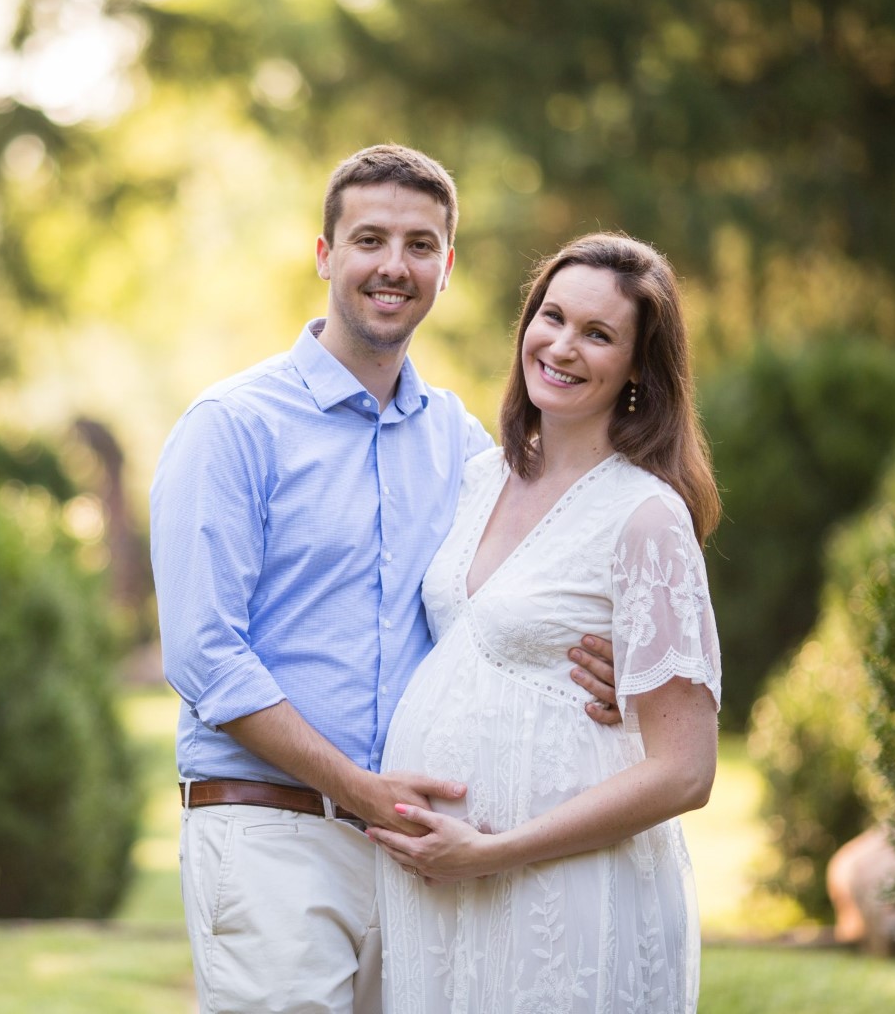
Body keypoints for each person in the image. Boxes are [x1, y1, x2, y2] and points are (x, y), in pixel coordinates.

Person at [150, 145, 624, 1014]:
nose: (393, 266)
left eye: (419, 244)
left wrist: (606, 664)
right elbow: (206, 655)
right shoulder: (234, 428)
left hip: (415, 852)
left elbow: (503, 614)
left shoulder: (463, 446)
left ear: (448, 266)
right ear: (325, 254)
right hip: (269, 834)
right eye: (369, 239)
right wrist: (358, 787)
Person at [369, 232, 723, 1013]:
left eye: (599, 334)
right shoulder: (479, 477)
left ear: (639, 369)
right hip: (441, 885)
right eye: (552, 316)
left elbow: (687, 769)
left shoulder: (644, 515)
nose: (562, 346)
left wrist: (493, 852)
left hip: (562, 887)